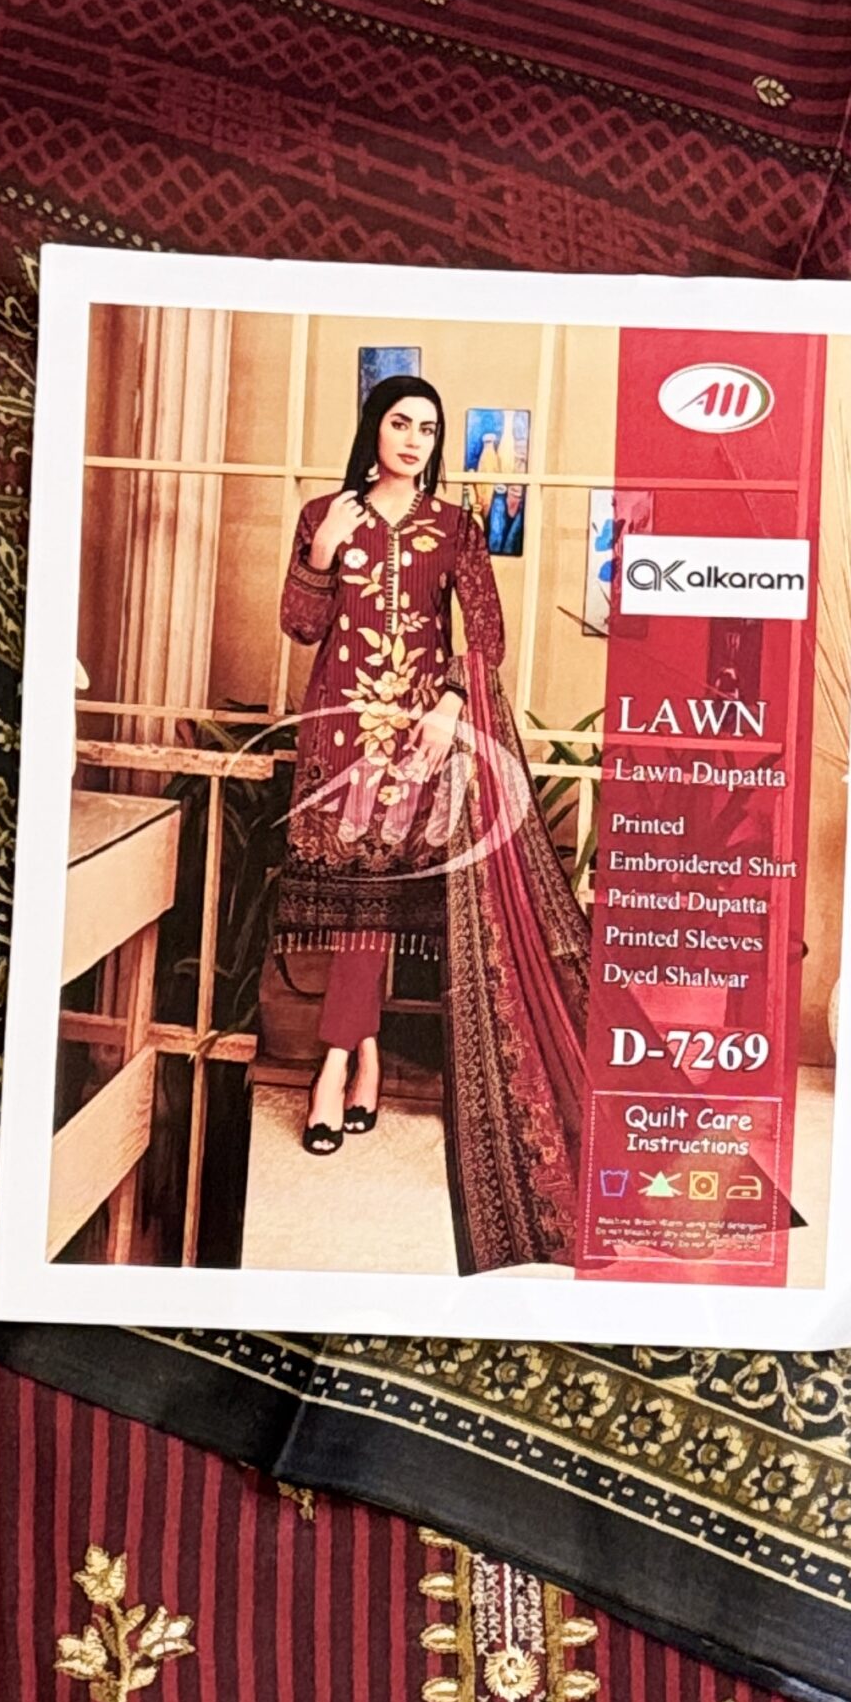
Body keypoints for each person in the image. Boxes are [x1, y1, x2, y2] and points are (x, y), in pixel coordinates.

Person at [275, 374, 495, 1154]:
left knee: (374, 900)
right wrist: (322, 551)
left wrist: (452, 703)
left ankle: (332, 1066)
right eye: (400, 423)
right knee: (356, 903)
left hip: (418, 737)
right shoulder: (324, 513)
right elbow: (301, 626)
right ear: (374, 427)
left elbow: (487, 634)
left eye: (427, 429)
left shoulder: (456, 527)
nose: (412, 440)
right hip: (339, 734)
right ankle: (361, 1054)